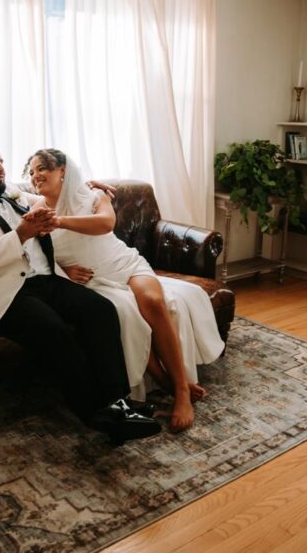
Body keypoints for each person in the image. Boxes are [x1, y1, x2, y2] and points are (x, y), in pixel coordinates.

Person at [0, 141, 160, 444]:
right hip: (8, 292)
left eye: (1, 161)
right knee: (54, 330)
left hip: (47, 280)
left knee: (102, 310)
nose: (0, 168)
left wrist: (87, 187)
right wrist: (21, 234)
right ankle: (96, 413)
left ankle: (119, 403)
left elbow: (51, 196)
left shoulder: (11, 192)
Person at [24, 148, 225, 431]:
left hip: (122, 263)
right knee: (127, 317)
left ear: (63, 171)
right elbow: (33, 250)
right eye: (31, 172)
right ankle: (166, 382)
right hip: (91, 279)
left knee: (153, 301)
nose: (35, 176)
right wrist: (64, 269)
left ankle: (181, 388)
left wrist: (58, 220)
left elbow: (106, 224)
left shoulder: (93, 195)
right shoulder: (33, 207)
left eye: (41, 168)